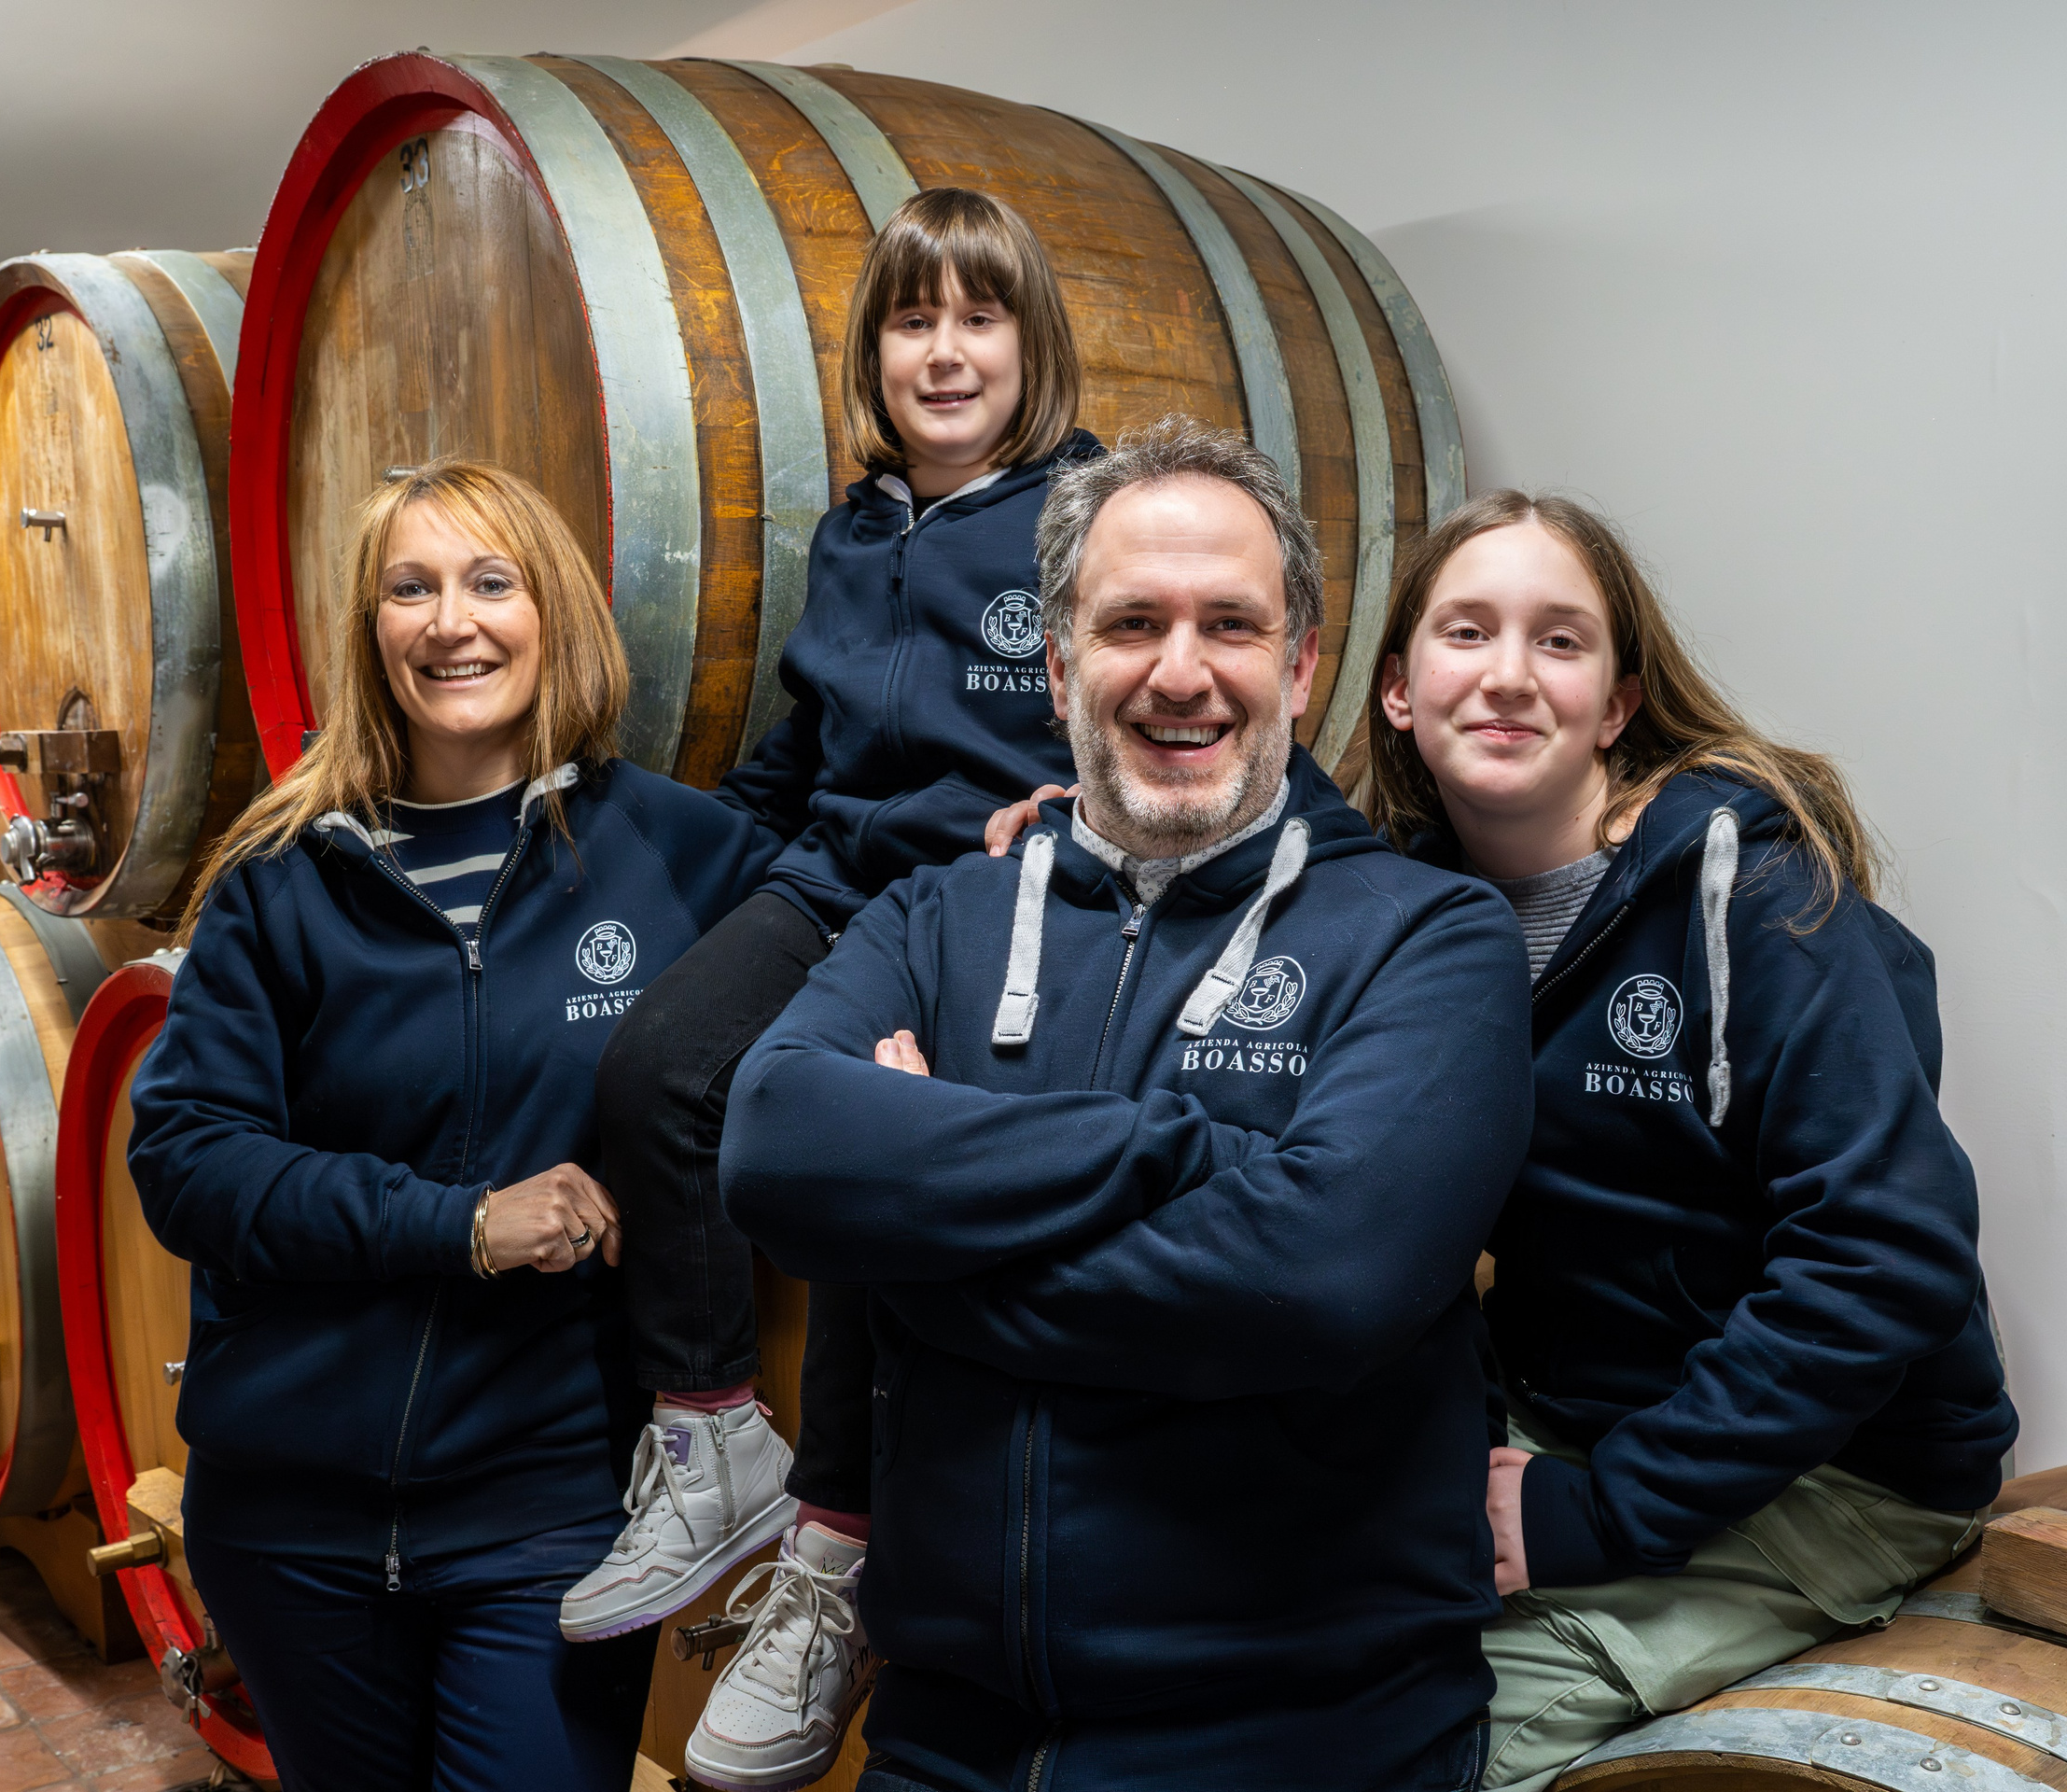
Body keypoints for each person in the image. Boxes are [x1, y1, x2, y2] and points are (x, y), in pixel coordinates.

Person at [718, 418, 1534, 1791]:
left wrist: (920, 1237)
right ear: (1056, 665)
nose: (1179, 671)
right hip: (946, 1741)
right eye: (1130, 622)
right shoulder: (935, 913)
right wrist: (1188, 1161)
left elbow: (1326, 1273)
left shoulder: (1428, 936)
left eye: (1230, 623)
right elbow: (772, 1143)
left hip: (1305, 1747)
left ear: (1302, 664)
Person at [124, 460, 780, 1791]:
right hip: (288, 1508)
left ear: (560, 612)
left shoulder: (684, 857)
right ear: (370, 635)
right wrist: (465, 1227)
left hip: (550, 1509)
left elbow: (843, 950)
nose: (450, 622)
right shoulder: (283, 880)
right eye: (408, 590)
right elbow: (187, 1163)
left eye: (493, 582)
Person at [1358, 491, 2018, 1790]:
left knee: (1430, 1746)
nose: (1504, 675)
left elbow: (1885, 1257)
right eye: (1466, 631)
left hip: (1836, 1474)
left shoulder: (1755, 891)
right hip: (1582, 1420)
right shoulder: (1409, 905)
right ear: (1396, 689)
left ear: (1615, 705)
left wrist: (1598, 1515)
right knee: (1265, 1646)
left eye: (1559, 642)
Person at [566, 188, 1099, 1789]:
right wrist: (651, 862)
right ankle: (714, 1425)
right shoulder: (856, 530)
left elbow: (1153, 692)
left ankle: (840, 1546)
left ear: (1031, 344)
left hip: (987, 894)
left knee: (866, 1142)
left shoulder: (1088, 513)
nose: (943, 352)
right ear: (871, 354)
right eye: (911, 321)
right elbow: (803, 755)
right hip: (834, 878)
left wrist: (1089, 807)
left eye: (977, 317)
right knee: (653, 1067)